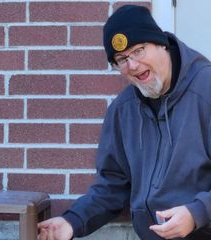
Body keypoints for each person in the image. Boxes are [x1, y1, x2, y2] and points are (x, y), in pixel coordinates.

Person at [38, 4, 211, 240]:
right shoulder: (123, 110)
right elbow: (112, 186)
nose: (132, 65)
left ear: (161, 43)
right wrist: (72, 221)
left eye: (139, 50)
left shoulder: (206, 90)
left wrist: (197, 213)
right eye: (121, 59)